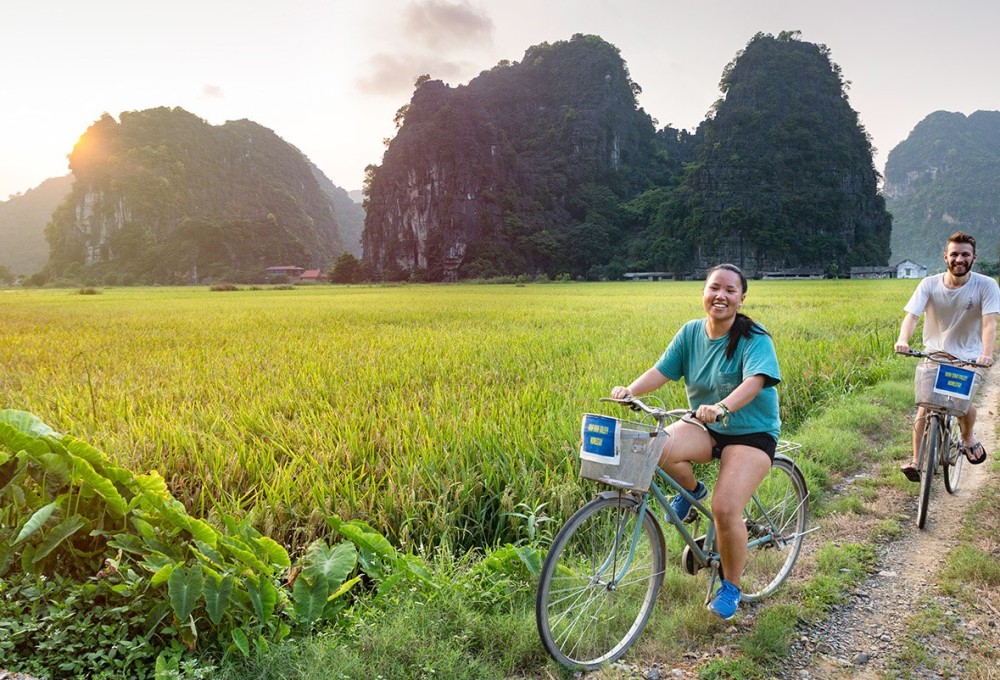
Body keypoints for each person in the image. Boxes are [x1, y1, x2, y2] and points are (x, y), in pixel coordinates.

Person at [611, 263, 781, 621]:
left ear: (741, 298)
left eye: (730, 290)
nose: (721, 296)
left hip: (751, 432)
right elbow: (662, 371)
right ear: (704, 292)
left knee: (725, 510)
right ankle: (693, 492)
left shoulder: (754, 337)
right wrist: (631, 390)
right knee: (653, 447)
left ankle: (731, 586)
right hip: (705, 426)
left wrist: (721, 407)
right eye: (714, 288)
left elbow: (754, 382)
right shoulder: (690, 333)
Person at [895, 231, 999, 479]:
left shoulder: (986, 285)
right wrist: (903, 340)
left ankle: (967, 436)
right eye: (954, 254)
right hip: (935, 353)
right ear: (945, 257)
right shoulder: (929, 284)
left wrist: (986, 353)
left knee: (961, 404)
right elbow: (912, 317)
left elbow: (989, 324)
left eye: (965, 254)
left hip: (969, 356)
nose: (959, 259)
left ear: (974, 258)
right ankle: (916, 461)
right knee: (924, 406)